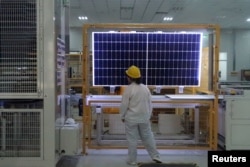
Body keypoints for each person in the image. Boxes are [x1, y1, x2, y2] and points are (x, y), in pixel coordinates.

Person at [120, 65, 162, 166]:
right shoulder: (145, 88)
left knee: (132, 140)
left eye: (127, 76)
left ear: (130, 77)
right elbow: (150, 103)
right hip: (144, 118)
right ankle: (155, 156)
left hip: (131, 119)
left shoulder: (128, 89)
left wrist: (122, 116)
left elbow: (124, 105)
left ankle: (132, 160)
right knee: (148, 137)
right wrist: (149, 115)